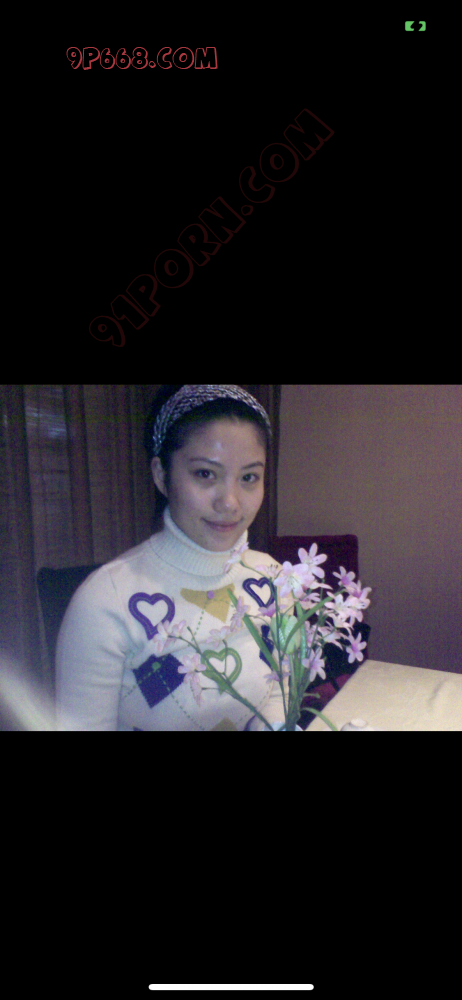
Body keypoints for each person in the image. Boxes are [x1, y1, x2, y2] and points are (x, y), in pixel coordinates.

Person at [55, 385, 292, 731]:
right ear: (161, 475)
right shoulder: (105, 601)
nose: (230, 502)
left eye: (248, 478)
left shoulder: (271, 578)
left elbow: (276, 694)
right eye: (205, 473)